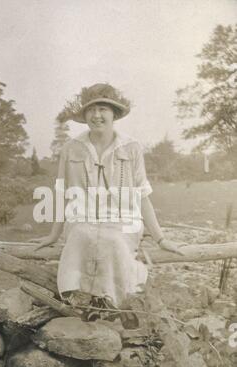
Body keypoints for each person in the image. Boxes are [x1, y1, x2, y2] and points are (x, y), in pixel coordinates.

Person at [31, 83, 185, 311]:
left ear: (114, 114)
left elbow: (142, 197)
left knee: (112, 241)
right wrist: (53, 236)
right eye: (91, 110)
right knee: (82, 236)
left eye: (103, 109)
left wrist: (161, 239)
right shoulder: (71, 148)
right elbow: (63, 195)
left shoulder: (131, 148)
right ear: (85, 115)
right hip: (82, 218)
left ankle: (115, 303)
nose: (97, 115)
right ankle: (79, 301)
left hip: (122, 219)